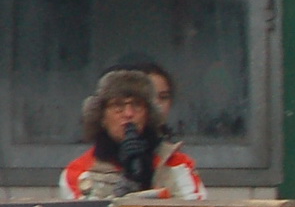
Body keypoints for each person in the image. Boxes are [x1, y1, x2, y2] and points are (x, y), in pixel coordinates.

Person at [58, 68, 205, 200]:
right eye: (118, 106)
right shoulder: (78, 171)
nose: (128, 114)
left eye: (137, 105)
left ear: (148, 115)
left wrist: (147, 176)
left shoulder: (178, 164)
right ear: (101, 117)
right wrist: (126, 184)